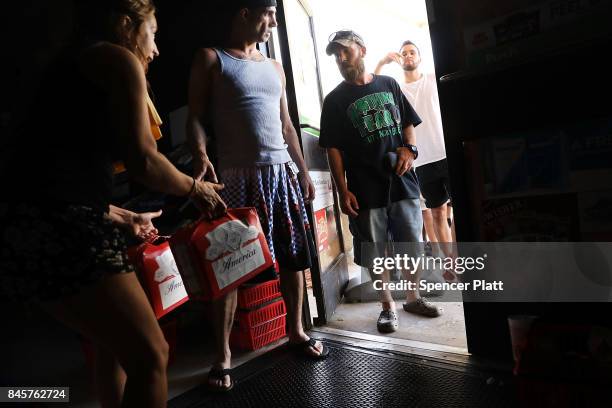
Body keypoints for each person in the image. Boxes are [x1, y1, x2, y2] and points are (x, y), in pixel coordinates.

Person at [0, 1, 226, 406]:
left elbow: (51, 176)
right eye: (152, 33)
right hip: (63, 228)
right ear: (126, 25)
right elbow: (143, 161)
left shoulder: (70, 62)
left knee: (111, 344)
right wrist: (196, 188)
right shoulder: (117, 59)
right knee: (152, 354)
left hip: (26, 227)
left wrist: (122, 214)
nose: (155, 49)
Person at [186, 0, 328, 392]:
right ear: (245, 12)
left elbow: (286, 125)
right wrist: (200, 154)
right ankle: (223, 356)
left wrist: (301, 170)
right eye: (269, 13)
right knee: (229, 266)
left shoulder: (275, 67)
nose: (274, 22)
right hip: (235, 176)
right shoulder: (212, 59)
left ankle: (296, 330)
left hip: (280, 172)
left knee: (293, 255)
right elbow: (195, 117)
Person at [319, 30, 441, 335]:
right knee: (375, 249)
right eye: (336, 54)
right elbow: (332, 148)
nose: (340, 58)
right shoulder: (334, 100)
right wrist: (342, 189)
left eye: (345, 51)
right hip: (364, 186)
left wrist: (409, 149)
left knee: (411, 243)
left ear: (361, 49)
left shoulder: (389, 84)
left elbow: (407, 123)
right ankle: (387, 306)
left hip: (402, 180)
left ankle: (413, 298)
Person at [375, 40, 455, 266]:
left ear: (420, 57)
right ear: (399, 59)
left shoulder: (431, 79)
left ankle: (460, 256)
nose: (409, 56)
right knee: (437, 213)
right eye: (404, 53)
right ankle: (451, 262)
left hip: (446, 153)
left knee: (456, 211)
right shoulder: (396, 89)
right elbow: (373, 86)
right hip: (422, 161)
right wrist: (382, 62)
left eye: (412, 52)